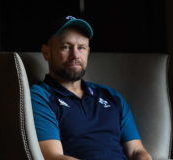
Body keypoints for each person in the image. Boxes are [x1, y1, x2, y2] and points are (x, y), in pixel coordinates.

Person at [30, 15, 152, 160]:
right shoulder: (40, 97)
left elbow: (136, 151)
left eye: (81, 47)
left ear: (88, 51)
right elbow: (53, 157)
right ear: (46, 52)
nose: (75, 55)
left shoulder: (112, 96)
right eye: (66, 47)